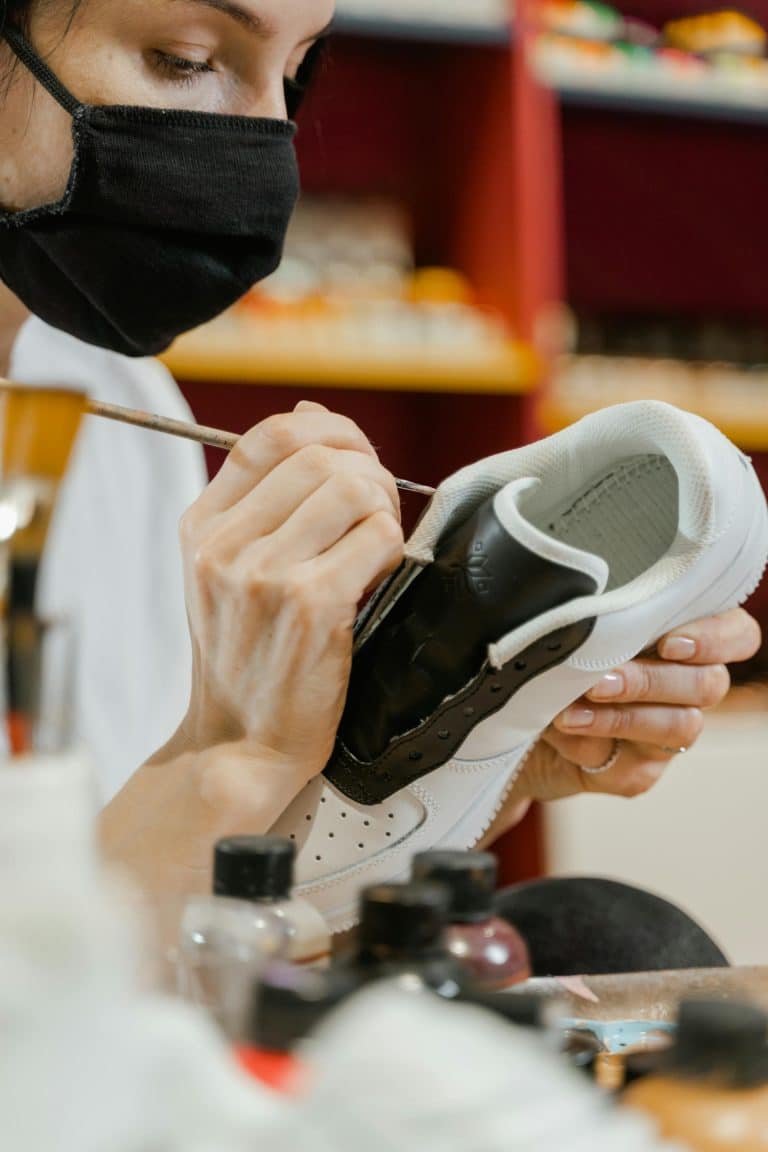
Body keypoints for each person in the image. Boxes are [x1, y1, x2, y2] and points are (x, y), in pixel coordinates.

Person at [0, 0, 761, 903]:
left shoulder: (116, 399)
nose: (269, 145)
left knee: (605, 924)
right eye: (185, 57)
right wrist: (233, 756)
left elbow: (181, 900)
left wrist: (475, 755)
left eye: (296, 76)